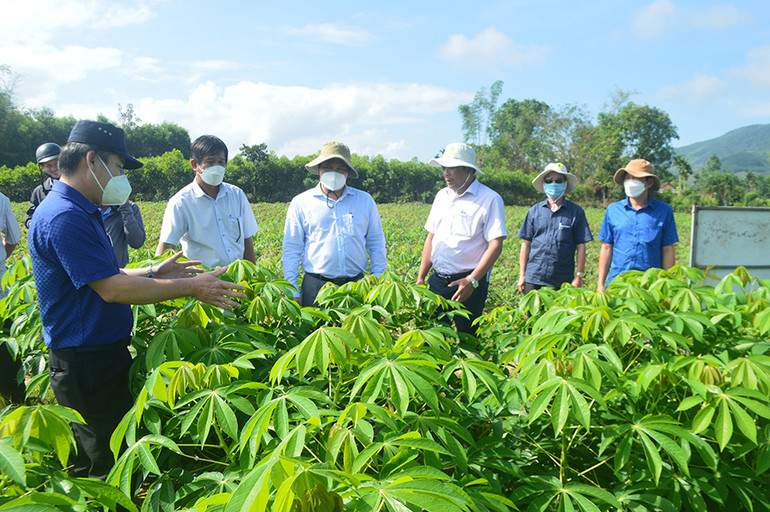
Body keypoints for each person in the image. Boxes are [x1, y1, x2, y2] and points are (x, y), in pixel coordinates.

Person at [28, 120, 246, 480]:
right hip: (85, 362)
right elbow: (112, 289)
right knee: (104, 466)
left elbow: (102, 274)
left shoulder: (78, 209)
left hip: (98, 356)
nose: (120, 177)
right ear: (92, 160)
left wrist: (153, 272)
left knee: (105, 453)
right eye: (118, 167)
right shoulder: (65, 216)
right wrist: (193, 287)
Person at [416, 142, 506, 335]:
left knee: (468, 339)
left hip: (468, 283)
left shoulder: (489, 198)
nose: (446, 173)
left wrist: (472, 280)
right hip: (437, 281)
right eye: (444, 168)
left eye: (452, 168)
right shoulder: (442, 196)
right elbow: (431, 237)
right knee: (431, 338)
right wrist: (421, 277)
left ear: (468, 170)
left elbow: (495, 245)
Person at [282, 141, 386, 307]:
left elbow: (376, 244)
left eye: (340, 168)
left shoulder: (364, 201)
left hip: (356, 286)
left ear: (348, 172)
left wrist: (378, 279)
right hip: (316, 286)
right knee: (317, 324)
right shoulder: (301, 202)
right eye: (328, 167)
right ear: (319, 169)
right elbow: (291, 250)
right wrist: (292, 290)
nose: (334, 173)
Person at [156, 135, 258, 268]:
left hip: (237, 275)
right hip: (201, 277)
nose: (217, 167)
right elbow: (167, 245)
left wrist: (252, 274)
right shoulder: (181, 202)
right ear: (194, 165)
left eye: (221, 162)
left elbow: (246, 239)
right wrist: (158, 275)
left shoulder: (236, 195)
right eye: (210, 162)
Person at [597, 158, 678, 291]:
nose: (630, 181)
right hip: (618, 282)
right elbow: (606, 247)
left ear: (649, 182)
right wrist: (600, 283)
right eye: (627, 177)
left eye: (635, 178)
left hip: (651, 284)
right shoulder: (613, 210)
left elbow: (668, 249)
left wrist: (668, 283)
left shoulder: (664, 211)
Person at [518, 163, 593, 293]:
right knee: (532, 307)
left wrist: (579, 276)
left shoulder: (576, 212)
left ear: (565, 184)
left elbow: (581, 246)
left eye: (558, 180)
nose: (553, 183)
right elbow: (526, 244)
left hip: (562, 279)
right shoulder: (534, 211)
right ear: (544, 184)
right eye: (549, 180)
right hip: (534, 276)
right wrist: (522, 275)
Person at [0, 190, 23, 404]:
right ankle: (14, 397)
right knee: (6, 345)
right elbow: (14, 238)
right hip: (1, 288)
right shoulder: (1, 199)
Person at [25, 142, 61, 228]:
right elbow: (30, 216)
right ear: (42, 167)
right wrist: (31, 223)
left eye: (57, 163)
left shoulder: (77, 186)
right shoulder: (39, 191)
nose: (54, 168)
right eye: (48, 166)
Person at [101, 202, 146, 267]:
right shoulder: (88, 208)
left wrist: (125, 208)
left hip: (117, 269)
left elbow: (136, 243)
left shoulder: (131, 208)